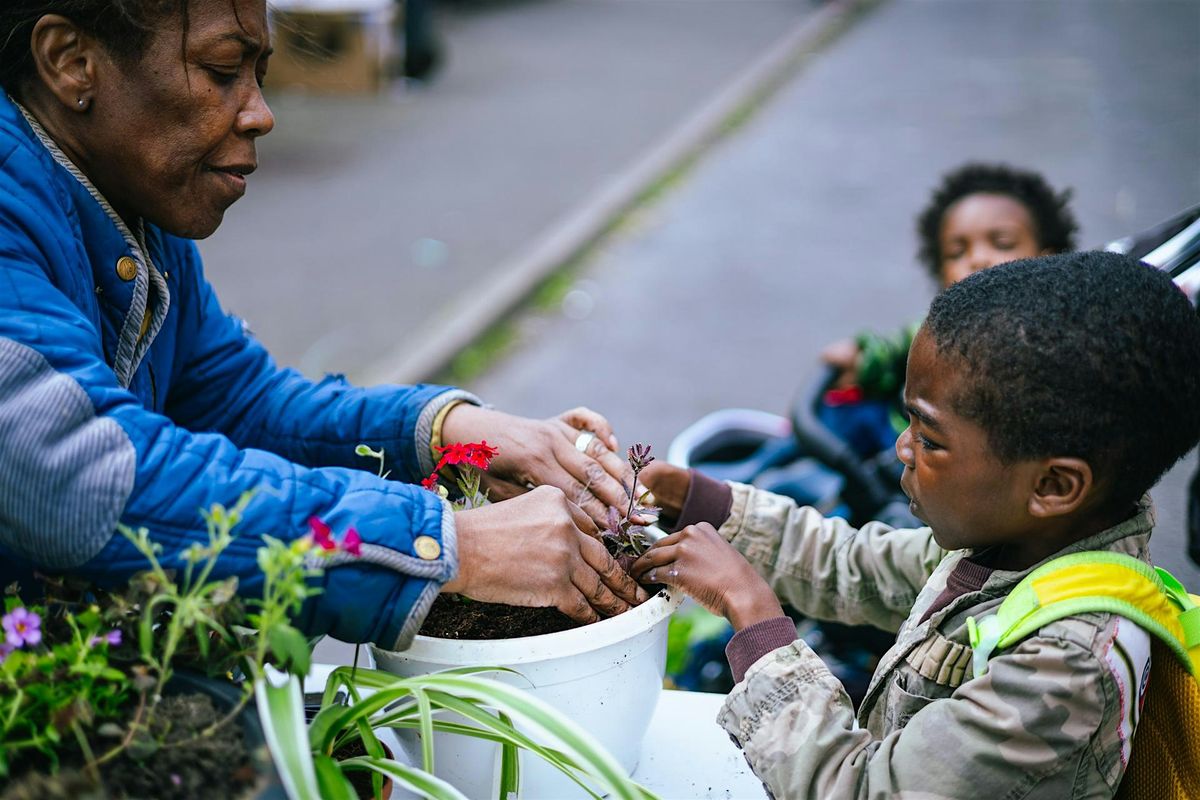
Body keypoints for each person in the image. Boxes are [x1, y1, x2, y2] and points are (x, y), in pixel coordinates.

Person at [0, 0, 647, 652]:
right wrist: (450, 545)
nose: (261, 112)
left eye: (259, 72)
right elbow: (77, 473)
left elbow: (236, 404)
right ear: (71, 63)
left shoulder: (132, 210)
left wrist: (445, 433)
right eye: (224, 69)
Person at [634, 252, 1200, 798]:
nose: (903, 447)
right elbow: (852, 567)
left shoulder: (1063, 672)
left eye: (930, 438)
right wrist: (697, 500)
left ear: (1053, 487)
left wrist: (755, 619)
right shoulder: (1016, 551)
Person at [818, 162, 1079, 460]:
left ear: (1048, 261)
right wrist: (863, 360)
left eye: (1002, 243)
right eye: (957, 252)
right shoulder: (936, 330)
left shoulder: (1053, 345)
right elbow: (894, 351)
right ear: (941, 272)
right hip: (890, 438)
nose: (978, 259)